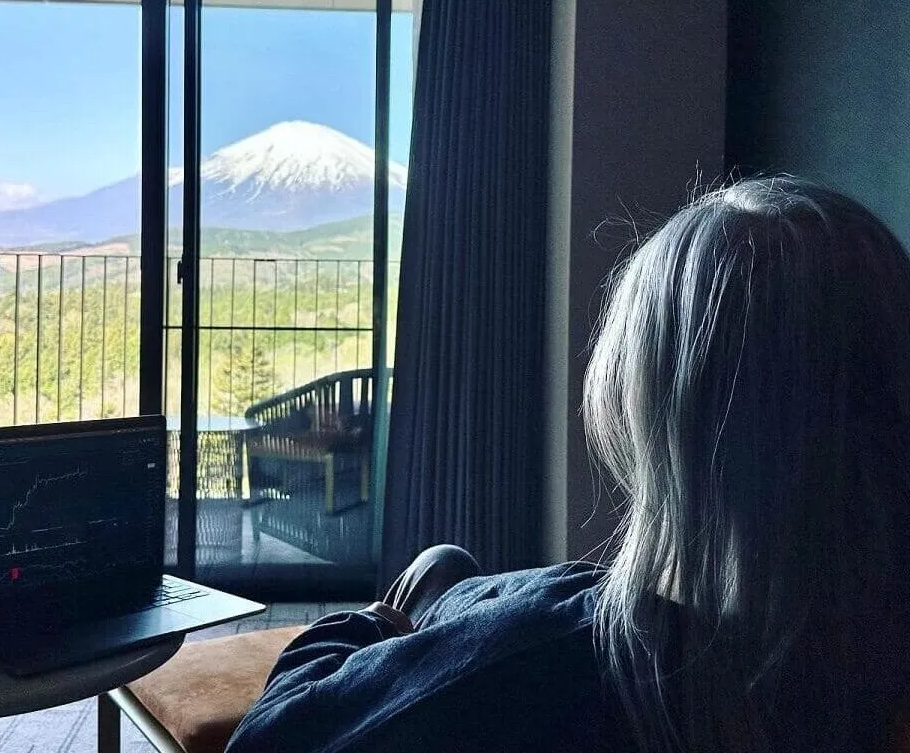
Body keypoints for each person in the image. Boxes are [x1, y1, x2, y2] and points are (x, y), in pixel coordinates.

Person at [226, 177, 910, 752]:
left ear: (650, 403)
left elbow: (263, 741)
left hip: (480, 629)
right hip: (507, 606)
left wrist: (372, 624)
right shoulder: (861, 667)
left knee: (438, 572)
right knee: (453, 575)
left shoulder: (546, 661)